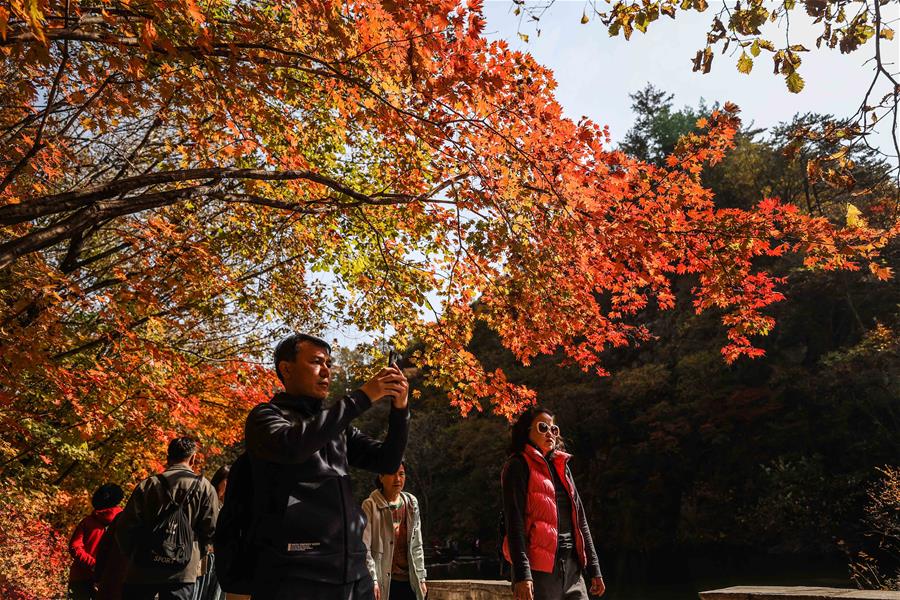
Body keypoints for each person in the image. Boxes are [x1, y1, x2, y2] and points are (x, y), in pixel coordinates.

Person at [244, 333, 410, 599]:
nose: (326, 372)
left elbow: (388, 461)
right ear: (286, 369)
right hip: (296, 574)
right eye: (317, 362)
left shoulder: (338, 427)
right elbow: (293, 446)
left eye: (329, 364)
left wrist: (400, 410)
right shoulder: (265, 417)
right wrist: (362, 397)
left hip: (353, 573)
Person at [501, 407, 605, 600]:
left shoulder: (562, 466)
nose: (550, 433)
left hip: (573, 568)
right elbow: (514, 524)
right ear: (526, 431)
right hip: (539, 571)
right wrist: (523, 575)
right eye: (543, 427)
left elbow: (580, 520)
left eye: (554, 429)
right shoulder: (517, 466)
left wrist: (594, 568)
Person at [116, 437, 219, 600]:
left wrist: (133, 554)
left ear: (168, 457)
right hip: (182, 571)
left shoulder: (149, 485)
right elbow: (211, 529)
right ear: (193, 458)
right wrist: (195, 554)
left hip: (143, 568)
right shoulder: (205, 488)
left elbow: (125, 527)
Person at [362, 463, 427, 600]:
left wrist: (421, 577)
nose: (397, 479)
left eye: (401, 474)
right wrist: (373, 579)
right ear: (381, 477)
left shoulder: (411, 503)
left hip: (410, 582)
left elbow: (417, 545)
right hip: (384, 583)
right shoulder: (370, 505)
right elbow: (364, 548)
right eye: (392, 474)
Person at [67, 483, 124, 600]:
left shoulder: (87, 522)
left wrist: (93, 564)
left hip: (80, 577)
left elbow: (74, 547)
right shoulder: (124, 523)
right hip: (109, 580)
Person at [193, 465, 230, 600]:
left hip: (219, 558)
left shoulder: (227, 504)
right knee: (200, 593)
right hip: (205, 555)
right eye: (227, 481)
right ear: (220, 480)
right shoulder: (208, 497)